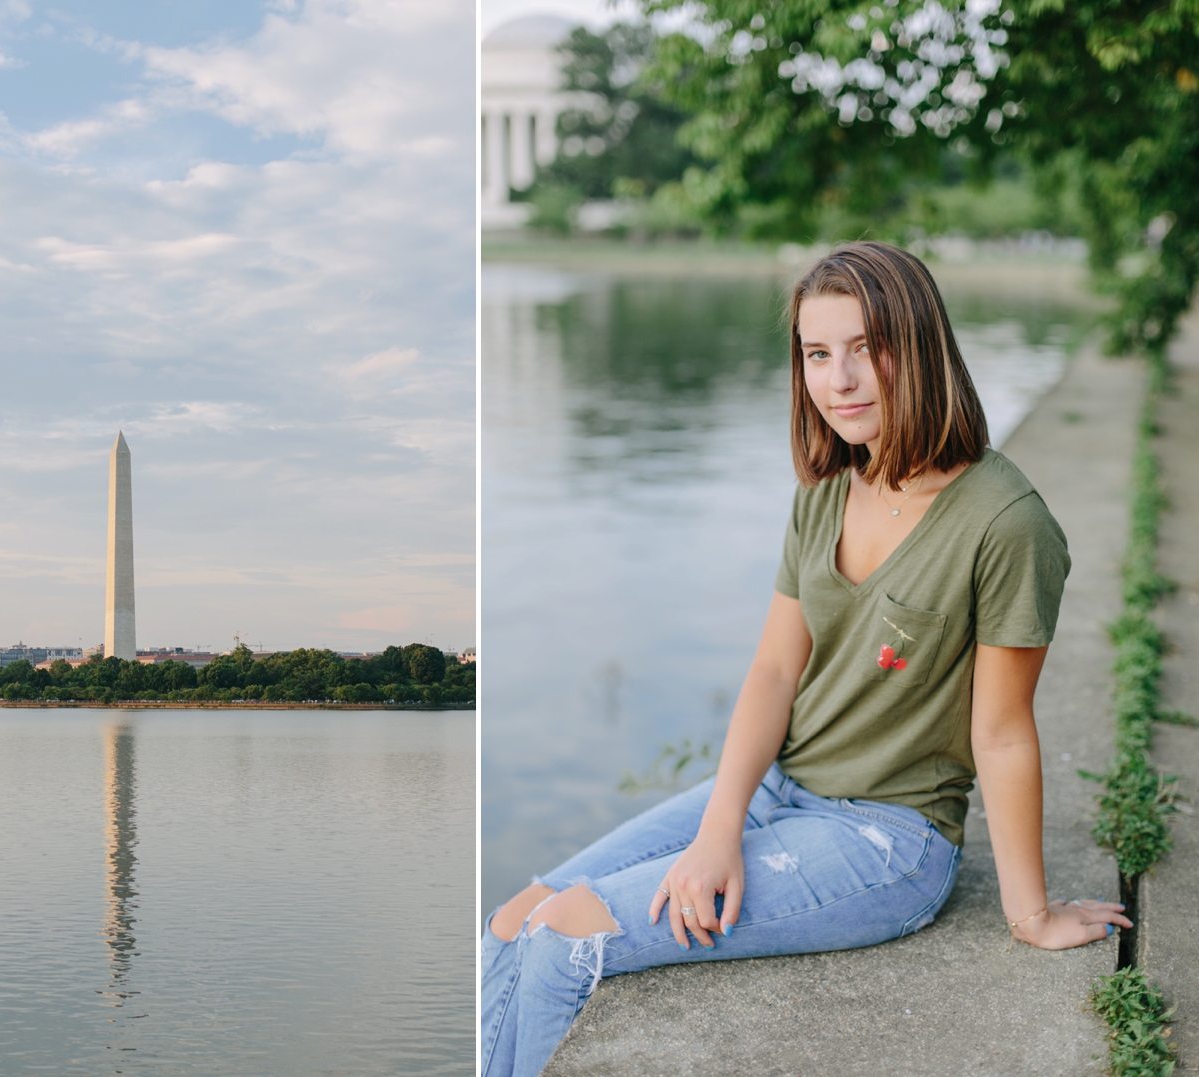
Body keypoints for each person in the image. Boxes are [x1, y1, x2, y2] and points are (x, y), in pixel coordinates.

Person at [480, 242, 1132, 1077]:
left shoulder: (1007, 523)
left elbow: (1002, 733)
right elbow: (772, 673)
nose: (841, 379)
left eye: (868, 347)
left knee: (576, 934)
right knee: (517, 918)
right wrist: (720, 827)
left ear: (921, 346)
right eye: (818, 354)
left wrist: (1030, 912)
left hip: (888, 836)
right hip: (780, 792)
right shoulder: (826, 488)